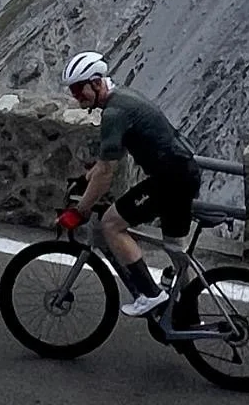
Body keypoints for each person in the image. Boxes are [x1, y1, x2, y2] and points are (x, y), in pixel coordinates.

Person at [56, 51, 201, 317]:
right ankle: (190, 316)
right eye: (73, 91)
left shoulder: (114, 112)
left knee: (111, 224)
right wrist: (88, 178)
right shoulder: (123, 98)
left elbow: (107, 172)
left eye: (79, 89)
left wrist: (80, 210)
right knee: (174, 248)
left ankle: (150, 295)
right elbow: (108, 160)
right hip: (184, 173)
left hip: (170, 179)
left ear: (97, 82)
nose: (77, 97)